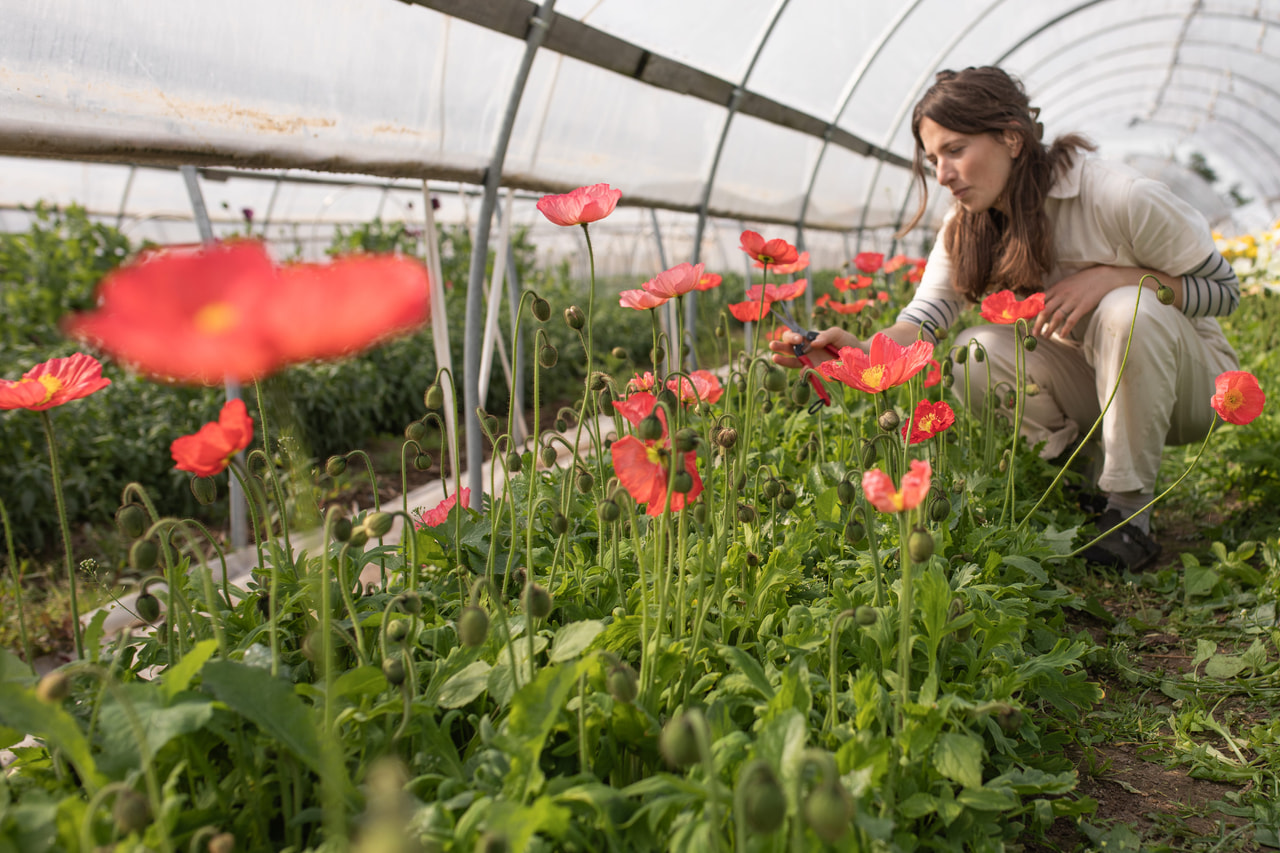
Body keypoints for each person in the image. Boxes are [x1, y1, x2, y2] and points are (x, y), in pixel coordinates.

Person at [771, 66, 1240, 571]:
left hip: (1193, 391)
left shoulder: (1119, 196)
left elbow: (1223, 292)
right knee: (976, 352)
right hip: (1094, 380)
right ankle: (1083, 478)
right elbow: (923, 319)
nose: (943, 174)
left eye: (955, 150)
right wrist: (858, 354)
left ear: (1012, 139)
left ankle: (1129, 515)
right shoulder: (968, 224)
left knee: (1128, 308)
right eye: (933, 160)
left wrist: (1116, 277)